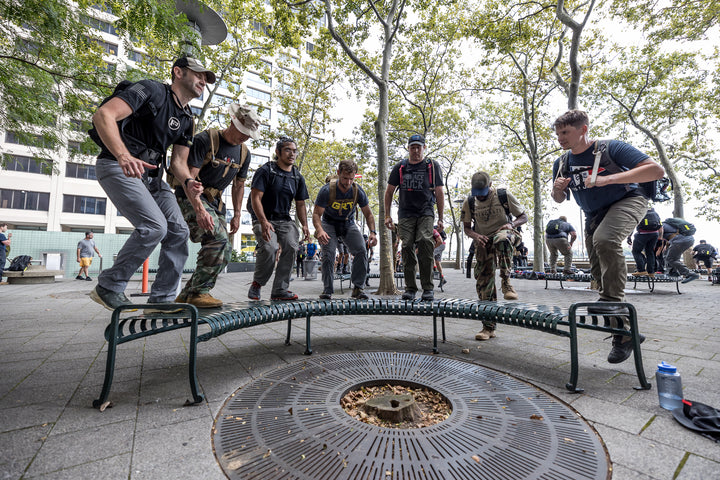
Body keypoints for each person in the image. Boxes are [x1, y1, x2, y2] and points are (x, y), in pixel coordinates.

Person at [88, 56, 214, 311]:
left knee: (178, 231)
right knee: (154, 226)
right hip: (117, 165)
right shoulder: (152, 90)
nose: (203, 80)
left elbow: (179, 162)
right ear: (178, 72)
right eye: (198, 74)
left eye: (206, 78)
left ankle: (162, 301)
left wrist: (189, 181)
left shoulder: (187, 119)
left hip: (153, 179)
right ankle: (109, 286)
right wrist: (123, 155)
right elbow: (103, 115)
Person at [551, 109, 665, 364]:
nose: (560, 138)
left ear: (583, 129)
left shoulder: (610, 148)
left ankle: (612, 304)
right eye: (558, 134)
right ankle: (623, 334)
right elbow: (558, 199)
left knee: (605, 240)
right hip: (594, 214)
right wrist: (558, 191)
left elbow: (655, 171)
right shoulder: (561, 163)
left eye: (565, 133)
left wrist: (607, 179)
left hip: (629, 200)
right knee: (599, 273)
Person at [172, 103, 260, 308]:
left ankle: (187, 296)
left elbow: (239, 186)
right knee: (217, 239)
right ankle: (199, 292)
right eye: (242, 132)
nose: (244, 137)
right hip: (190, 196)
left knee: (226, 249)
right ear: (232, 121)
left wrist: (237, 214)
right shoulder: (206, 139)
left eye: (248, 134)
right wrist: (198, 209)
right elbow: (189, 178)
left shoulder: (244, 153)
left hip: (215, 202)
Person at [462, 171, 527, 341]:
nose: (480, 197)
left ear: (490, 186)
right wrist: (476, 236)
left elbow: (523, 216)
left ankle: (506, 282)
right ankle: (488, 327)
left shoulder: (503, 195)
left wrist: (510, 223)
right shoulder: (469, 202)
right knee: (484, 283)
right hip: (483, 241)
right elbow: (467, 228)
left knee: (502, 239)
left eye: (482, 193)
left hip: (505, 233)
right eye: (477, 194)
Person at [247, 136, 310, 300]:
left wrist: (305, 225)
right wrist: (263, 221)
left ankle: (280, 290)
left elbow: (301, 204)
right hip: (262, 217)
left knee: (291, 245)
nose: (292, 154)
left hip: (284, 219)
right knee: (270, 248)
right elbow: (255, 198)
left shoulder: (297, 177)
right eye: (288, 150)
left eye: (294, 151)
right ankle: (257, 284)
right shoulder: (266, 171)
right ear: (278, 152)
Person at [384, 134, 444, 301]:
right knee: (407, 246)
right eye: (413, 147)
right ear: (408, 148)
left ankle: (428, 288)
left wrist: (440, 217)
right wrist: (387, 215)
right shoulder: (400, 167)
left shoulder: (432, 166)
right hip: (405, 213)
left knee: (425, 241)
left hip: (426, 211)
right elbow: (389, 192)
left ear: (424, 148)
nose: (416, 150)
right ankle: (410, 288)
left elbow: (439, 192)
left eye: (419, 147)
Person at [313, 159, 377, 299]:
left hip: (348, 223)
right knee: (328, 254)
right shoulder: (326, 190)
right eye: (344, 178)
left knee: (361, 250)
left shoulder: (357, 191)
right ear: (338, 173)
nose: (348, 182)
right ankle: (327, 290)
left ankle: (358, 288)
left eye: (351, 179)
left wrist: (373, 232)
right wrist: (320, 230)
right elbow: (317, 214)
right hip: (329, 224)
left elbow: (368, 214)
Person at [629, 208, 662, 277]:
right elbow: (661, 227)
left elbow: (632, 225)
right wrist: (660, 239)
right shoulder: (655, 214)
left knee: (636, 251)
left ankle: (641, 270)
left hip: (642, 234)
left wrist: (629, 236)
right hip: (654, 234)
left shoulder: (639, 213)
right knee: (650, 252)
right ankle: (651, 272)